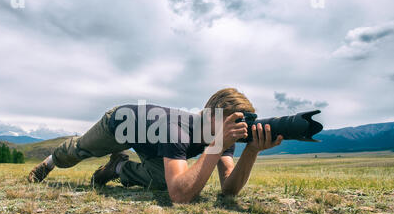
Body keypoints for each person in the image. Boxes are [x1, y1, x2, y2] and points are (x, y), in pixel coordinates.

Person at [28, 88, 282, 203]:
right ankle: (50, 162)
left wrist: (251, 151)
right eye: (232, 122)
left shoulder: (222, 135)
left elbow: (228, 189)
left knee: (164, 180)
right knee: (81, 150)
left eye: (240, 124)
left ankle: (118, 168)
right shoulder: (179, 129)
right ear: (210, 115)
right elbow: (180, 196)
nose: (236, 130)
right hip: (122, 124)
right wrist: (217, 145)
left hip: (153, 143)